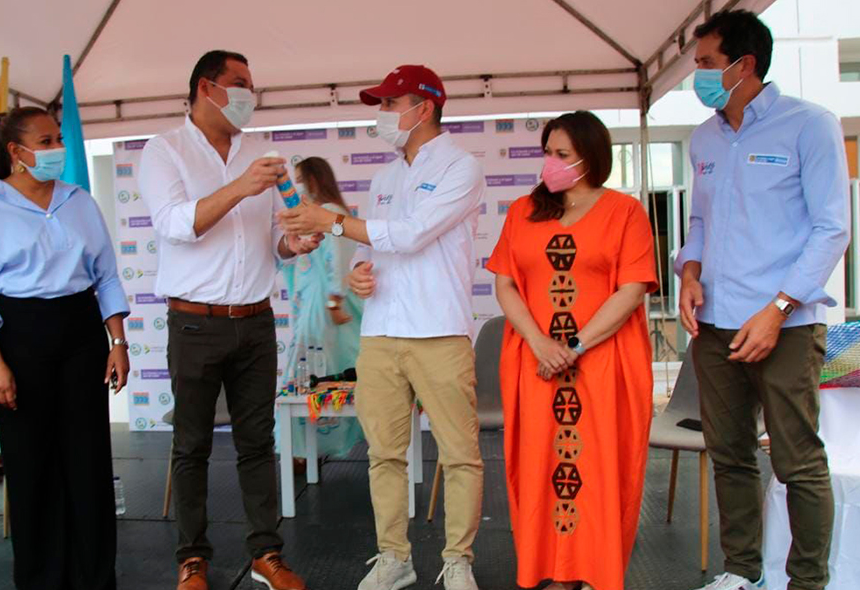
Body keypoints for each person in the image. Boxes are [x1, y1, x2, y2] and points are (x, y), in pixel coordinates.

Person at [278, 64, 485, 590]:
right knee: (383, 455)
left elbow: (413, 234)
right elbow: (375, 246)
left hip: (440, 329)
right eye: (382, 104)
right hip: (381, 332)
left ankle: (457, 560)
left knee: (459, 455)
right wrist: (359, 273)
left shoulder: (462, 166)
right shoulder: (386, 175)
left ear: (425, 107)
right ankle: (394, 557)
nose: (383, 114)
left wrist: (332, 222)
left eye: (392, 104)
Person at [677, 10, 849, 590]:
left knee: (797, 462)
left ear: (742, 65)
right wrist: (691, 272)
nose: (695, 76)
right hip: (716, 326)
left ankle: (807, 582)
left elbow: (832, 230)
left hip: (787, 326)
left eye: (704, 64)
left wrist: (777, 310)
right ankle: (741, 573)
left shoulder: (810, 125)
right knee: (729, 457)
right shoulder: (703, 137)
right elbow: (699, 221)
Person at [137, 50, 319, 590]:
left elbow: (271, 240)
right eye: (239, 83)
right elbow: (174, 224)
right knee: (191, 445)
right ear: (205, 88)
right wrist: (241, 185)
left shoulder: (262, 151)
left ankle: (267, 554)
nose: (249, 94)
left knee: (258, 444)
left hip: (256, 322)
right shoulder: (163, 150)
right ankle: (192, 558)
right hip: (194, 323)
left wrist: (294, 241)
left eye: (252, 85)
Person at [0, 106, 130, 590]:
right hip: (17, 335)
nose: (57, 150)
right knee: (31, 465)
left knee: (88, 462)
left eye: (58, 140)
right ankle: (42, 579)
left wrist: (118, 341)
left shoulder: (79, 201)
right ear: (16, 151)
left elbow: (106, 275)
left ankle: (96, 577)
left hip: (80, 333)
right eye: (46, 141)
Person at [486, 111, 657, 590]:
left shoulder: (625, 212)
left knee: (601, 471)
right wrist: (542, 343)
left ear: (591, 157)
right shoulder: (523, 211)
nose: (551, 163)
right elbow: (505, 285)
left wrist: (577, 345)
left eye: (563, 154)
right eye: (548, 152)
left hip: (603, 365)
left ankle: (595, 573)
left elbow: (631, 289)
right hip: (536, 364)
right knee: (540, 469)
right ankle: (554, 572)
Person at [281, 157, 365, 460]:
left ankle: (304, 451)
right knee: (315, 375)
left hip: (324, 307)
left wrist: (333, 301)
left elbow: (336, 261)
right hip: (313, 304)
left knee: (322, 376)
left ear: (315, 179)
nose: (299, 186)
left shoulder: (332, 215)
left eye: (302, 179)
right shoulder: (318, 216)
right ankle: (303, 450)